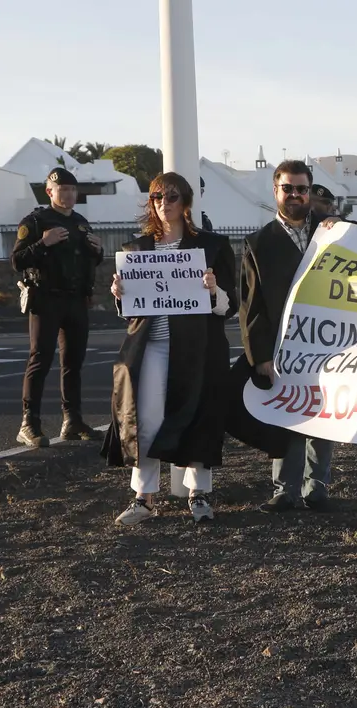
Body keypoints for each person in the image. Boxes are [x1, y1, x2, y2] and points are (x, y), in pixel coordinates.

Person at [104, 172, 237, 525]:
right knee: (144, 419)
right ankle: (144, 497)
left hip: (197, 349)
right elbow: (131, 314)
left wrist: (213, 290)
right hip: (150, 348)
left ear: (187, 202)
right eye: (158, 197)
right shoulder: (135, 250)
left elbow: (230, 306)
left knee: (198, 416)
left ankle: (199, 493)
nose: (165, 203)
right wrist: (120, 296)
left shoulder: (212, 247)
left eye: (173, 196)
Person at [238, 159, 337, 513]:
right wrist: (260, 356)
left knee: (323, 416)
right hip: (282, 348)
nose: (295, 195)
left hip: (328, 343)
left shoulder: (333, 234)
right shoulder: (258, 243)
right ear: (276, 190)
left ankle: (317, 486)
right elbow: (251, 307)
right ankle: (284, 489)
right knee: (287, 415)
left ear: (310, 192)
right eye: (288, 188)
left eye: (302, 189)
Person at [11, 167, 105, 447]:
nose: (68, 194)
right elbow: (17, 261)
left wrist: (98, 251)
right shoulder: (36, 221)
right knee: (40, 360)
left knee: (73, 363)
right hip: (46, 298)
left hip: (76, 300)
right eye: (62, 189)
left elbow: (88, 261)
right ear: (49, 192)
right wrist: (43, 242)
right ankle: (29, 424)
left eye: (72, 190)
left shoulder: (80, 222)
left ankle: (72, 421)